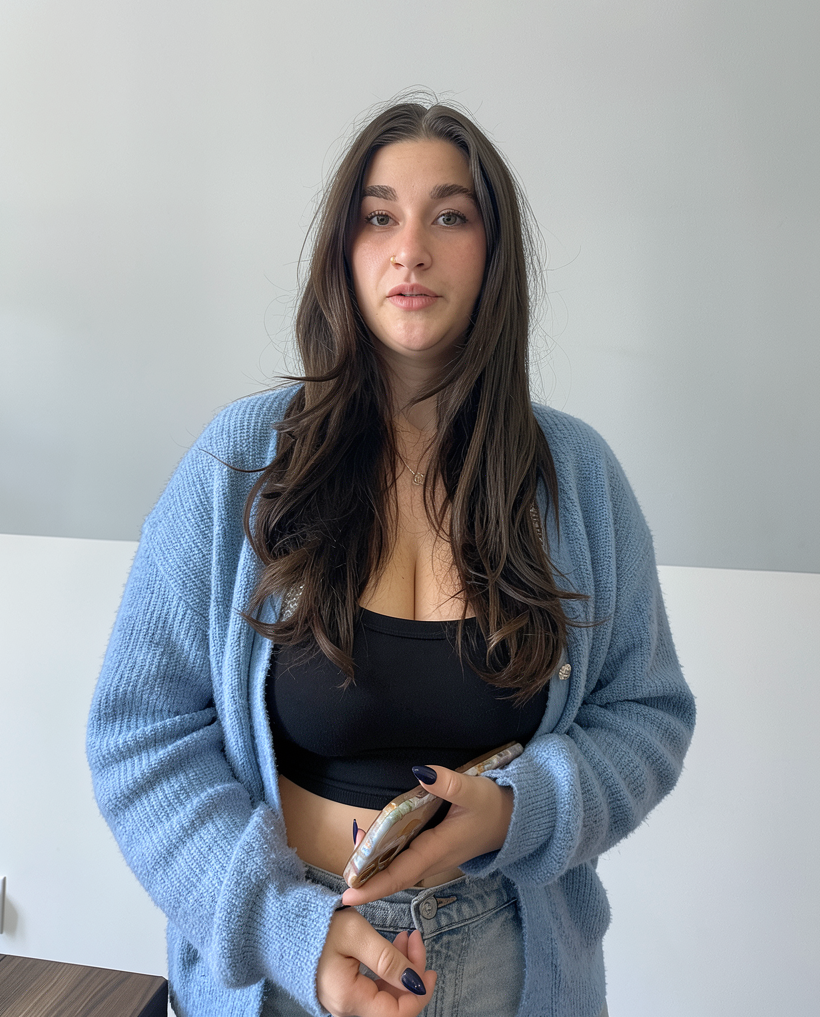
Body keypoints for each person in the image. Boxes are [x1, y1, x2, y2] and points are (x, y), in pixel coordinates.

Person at [87, 98, 695, 1017]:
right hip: (292, 961)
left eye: (449, 217)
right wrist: (290, 932)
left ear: (493, 253)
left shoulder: (576, 477)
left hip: (509, 962)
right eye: (379, 217)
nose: (410, 250)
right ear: (343, 250)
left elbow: (646, 714)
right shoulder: (242, 463)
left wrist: (520, 811)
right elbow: (139, 737)